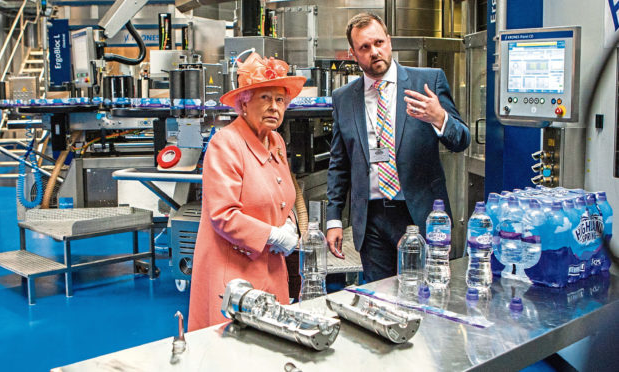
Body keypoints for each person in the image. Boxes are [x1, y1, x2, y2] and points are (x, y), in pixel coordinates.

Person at [326, 13, 470, 282]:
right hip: (371, 220)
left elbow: (461, 140)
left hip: (420, 214)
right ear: (353, 54)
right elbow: (339, 163)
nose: (374, 52)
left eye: (379, 42)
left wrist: (440, 118)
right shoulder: (344, 98)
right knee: (380, 298)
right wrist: (333, 218)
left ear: (389, 41)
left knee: (428, 296)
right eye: (364, 48)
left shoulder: (427, 82)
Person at [188, 53, 307, 330]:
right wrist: (273, 235)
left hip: (271, 268)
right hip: (234, 271)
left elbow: (282, 197)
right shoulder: (225, 143)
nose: (274, 107)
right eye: (264, 98)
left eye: (280, 100)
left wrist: (289, 223)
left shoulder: (276, 140)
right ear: (244, 103)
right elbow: (223, 214)